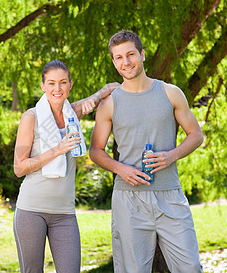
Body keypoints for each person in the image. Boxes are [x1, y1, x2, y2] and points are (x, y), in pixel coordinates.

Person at [89, 30, 204, 273]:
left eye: (130, 54)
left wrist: (171, 155)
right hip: (128, 198)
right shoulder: (109, 103)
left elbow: (196, 135)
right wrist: (121, 169)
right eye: (118, 57)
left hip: (169, 193)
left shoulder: (170, 92)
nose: (126, 62)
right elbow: (96, 151)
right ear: (114, 62)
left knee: (190, 267)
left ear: (142, 54)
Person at [13, 59, 118, 273]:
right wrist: (58, 149)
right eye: (51, 83)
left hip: (64, 213)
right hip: (31, 211)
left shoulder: (73, 113)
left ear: (70, 85)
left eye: (62, 82)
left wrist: (109, 89)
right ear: (42, 86)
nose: (57, 88)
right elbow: (19, 167)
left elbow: (94, 100)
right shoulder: (30, 118)